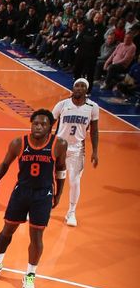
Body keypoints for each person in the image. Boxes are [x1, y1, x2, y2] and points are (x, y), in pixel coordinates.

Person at [0, 109, 68, 288]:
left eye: (43, 124)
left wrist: (59, 194)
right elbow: (5, 164)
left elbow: (61, 170)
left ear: (50, 127)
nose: (38, 126)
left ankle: (30, 274)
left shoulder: (59, 144)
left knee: (36, 237)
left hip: (43, 195)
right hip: (21, 192)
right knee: (7, 229)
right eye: (35, 123)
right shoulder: (18, 143)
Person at [52, 78, 99, 226]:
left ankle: (71, 212)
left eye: (82, 86)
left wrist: (95, 151)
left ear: (86, 90)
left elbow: (94, 131)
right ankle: (39, 206)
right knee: (48, 177)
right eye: (76, 86)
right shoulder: (62, 104)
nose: (78, 88)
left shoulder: (93, 107)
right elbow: (48, 123)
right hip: (58, 146)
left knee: (74, 181)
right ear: (73, 88)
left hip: (77, 149)